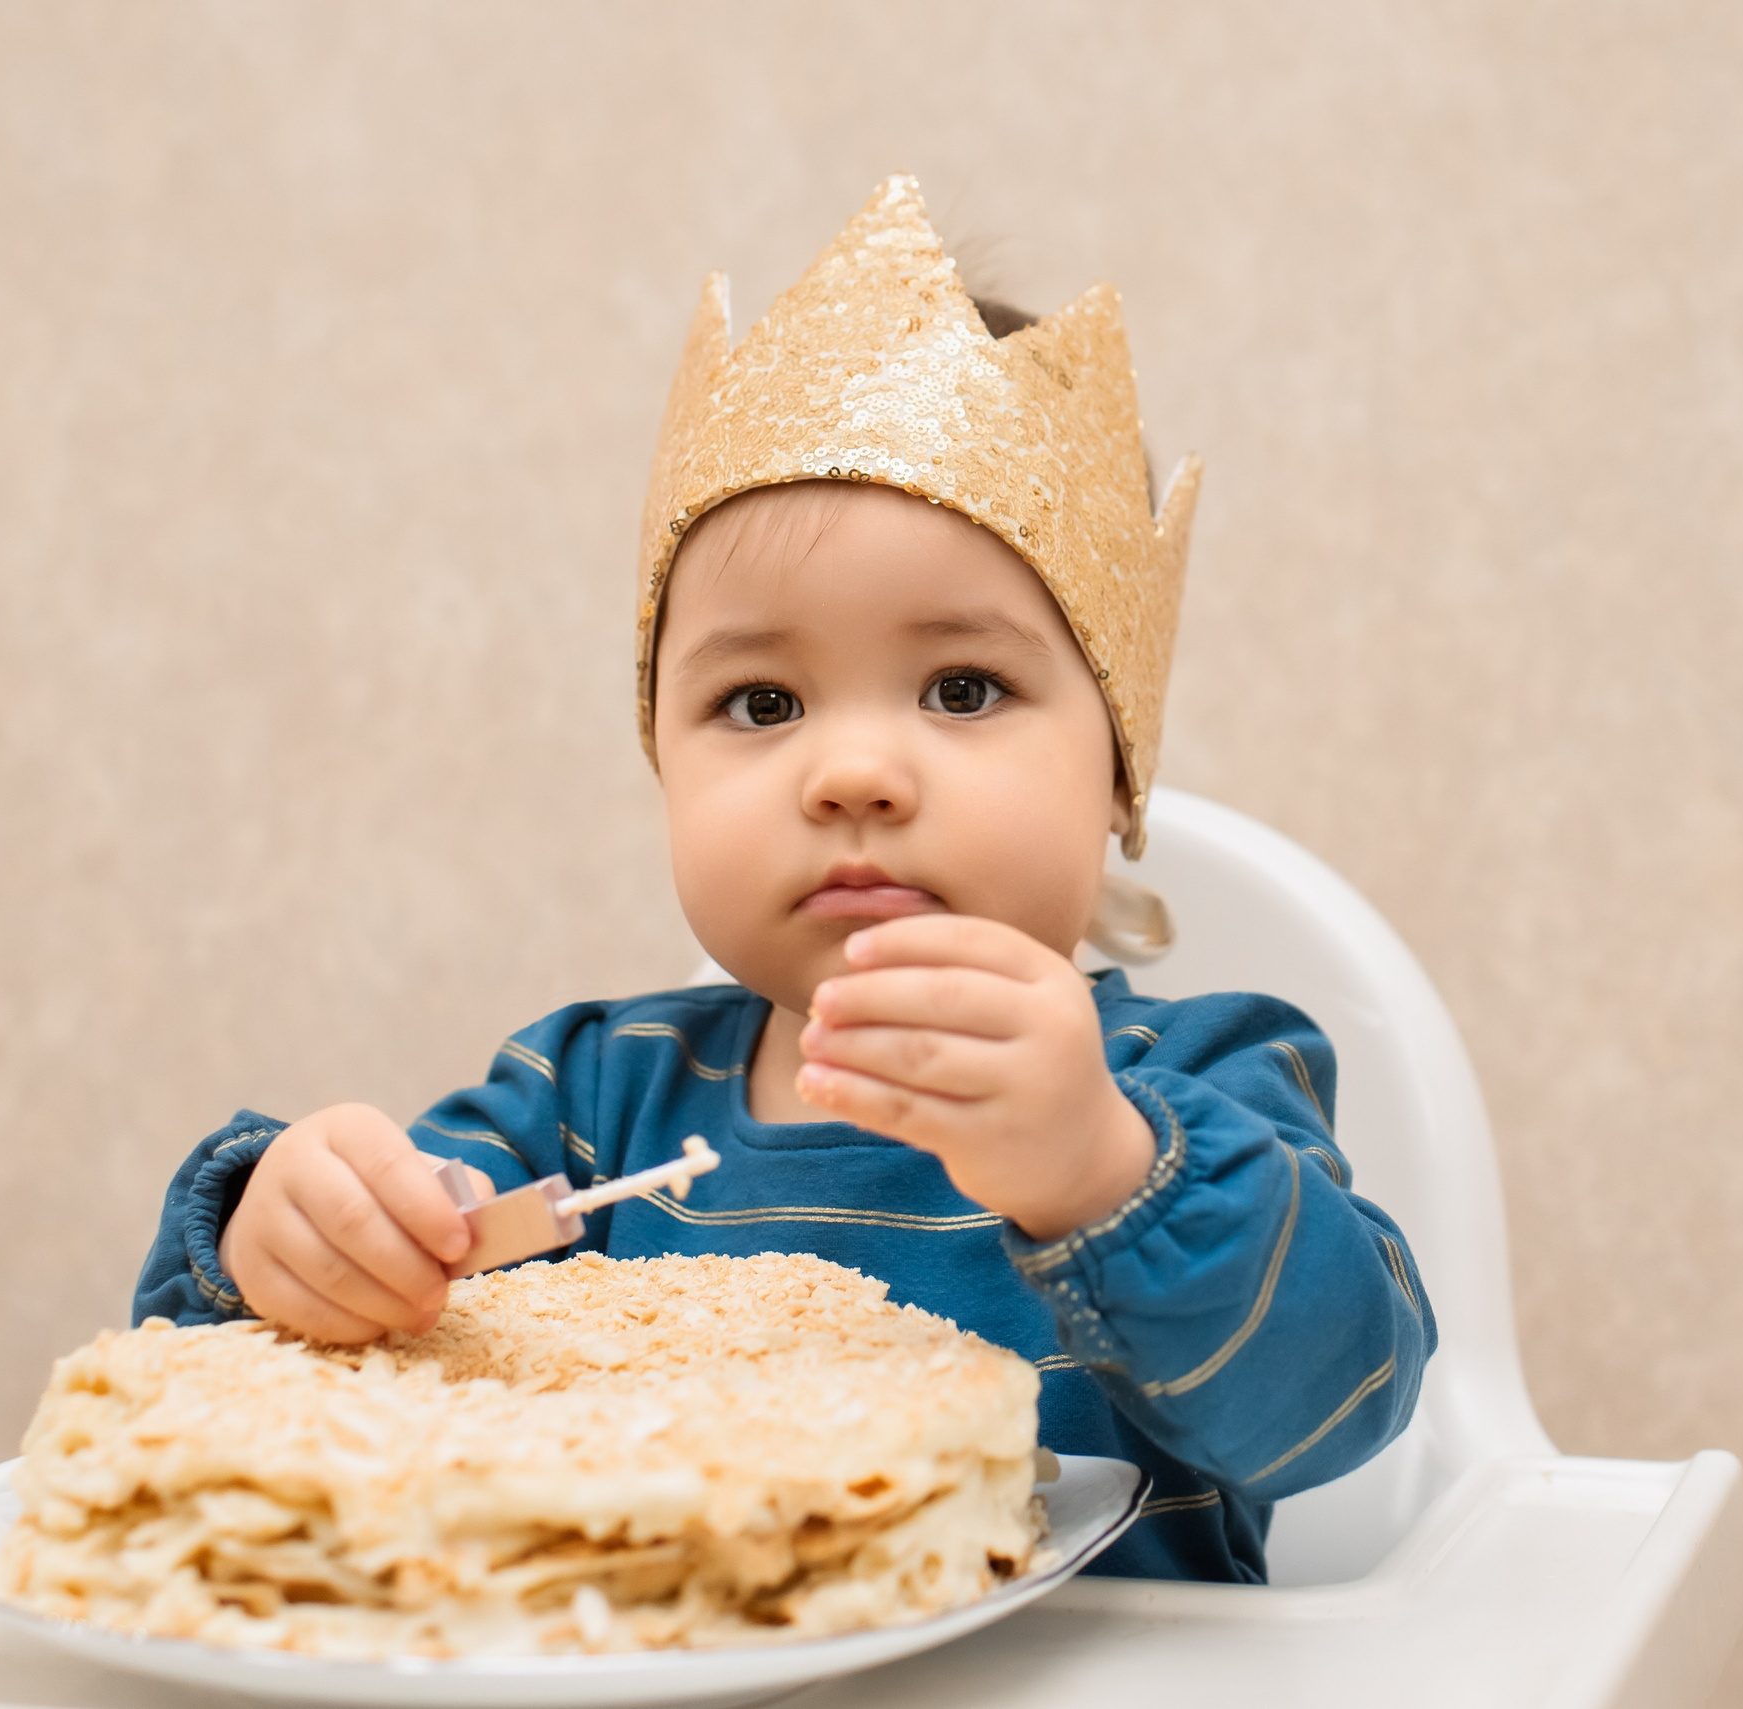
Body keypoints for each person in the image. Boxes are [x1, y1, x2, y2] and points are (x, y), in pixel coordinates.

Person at [133, 177, 1435, 1584]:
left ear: (1117, 770)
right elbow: (300, 1399)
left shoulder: (1196, 1081)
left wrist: (1098, 1166)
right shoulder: (587, 1098)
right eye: (761, 704)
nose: (851, 772)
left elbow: (1337, 1407)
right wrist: (294, 1235)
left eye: (962, 683)